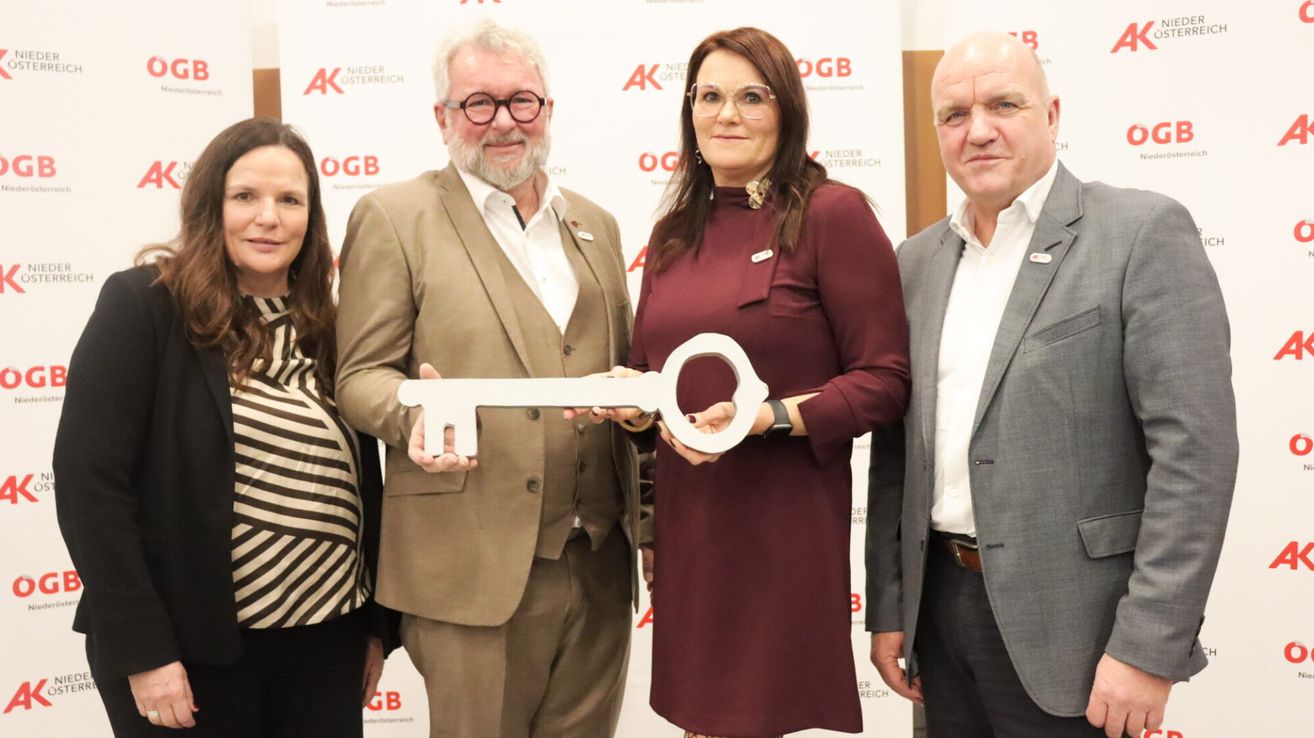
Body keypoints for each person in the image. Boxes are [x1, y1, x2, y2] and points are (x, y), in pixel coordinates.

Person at [865, 31, 1238, 738]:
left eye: (1004, 104)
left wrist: (1148, 647)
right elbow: (896, 456)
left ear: (1053, 113)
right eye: (954, 115)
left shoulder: (1140, 233)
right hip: (938, 620)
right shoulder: (914, 262)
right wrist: (890, 609)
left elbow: (1196, 457)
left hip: (1080, 635)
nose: (978, 131)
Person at [580, 26, 910, 738]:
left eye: (750, 97)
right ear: (689, 114)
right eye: (710, 96)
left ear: (786, 111)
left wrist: (763, 418)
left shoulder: (833, 215)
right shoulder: (672, 233)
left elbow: (885, 381)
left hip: (782, 531)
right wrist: (630, 401)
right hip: (690, 532)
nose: (727, 114)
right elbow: (654, 380)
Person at [333, 19, 641, 738]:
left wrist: (646, 522)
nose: (502, 122)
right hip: (469, 570)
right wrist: (417, 416)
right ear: (443, 117)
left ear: (549, 111)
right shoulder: (395, 217)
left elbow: (628, 377)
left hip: (597, 563)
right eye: (478, 103)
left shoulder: (597, 226)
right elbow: (358, 377)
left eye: (520, 101)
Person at [53, 118, 393, 737]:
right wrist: (144, 652)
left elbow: (359, 488)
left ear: (311, 218)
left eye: (290, 200)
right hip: (189, 652)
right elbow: (89, 487)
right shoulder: (145, 307)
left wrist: (371, 626)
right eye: (246, 197)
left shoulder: (333, 327)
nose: (269, 217)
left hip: (325, 642)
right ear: (212, 204)